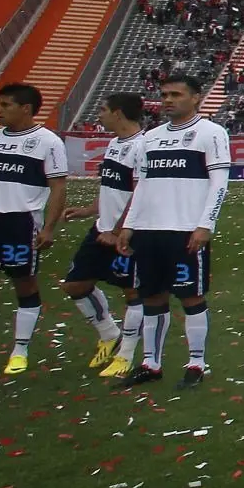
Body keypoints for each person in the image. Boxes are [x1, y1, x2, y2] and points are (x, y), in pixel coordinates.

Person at [113, 73, 230, 389]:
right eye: (164, 95)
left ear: (195, 98)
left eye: (176, 95)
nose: (168, 100)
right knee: (151, 296)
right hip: (148, 231)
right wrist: (129, 226)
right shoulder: (150, 138)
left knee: (191, 296)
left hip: (185, 230)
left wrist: (205, 224)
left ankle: (197, 364)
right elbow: (142, 185)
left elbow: (219, 183)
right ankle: (151, 364)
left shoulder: (211, 133)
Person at [0, 84, 69, 374]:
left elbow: (58, 187)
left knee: (24, 284)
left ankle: (20, 350)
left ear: (26, 108)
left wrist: (48, 228)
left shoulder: (48, 141)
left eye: (5, 105)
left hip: (20, 222)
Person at [59, 92, 146, 377]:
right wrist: (88, 210)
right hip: (103, 228)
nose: (99, 115)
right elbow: (112, 188)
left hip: (130, 233)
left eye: (103, 110)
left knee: (133, 292)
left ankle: (126, 355)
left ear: (118, 113)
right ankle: (110, 334)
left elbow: (140, 193)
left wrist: (119, 230)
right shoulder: (113, 143)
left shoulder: (143, 146)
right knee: (75, 285)